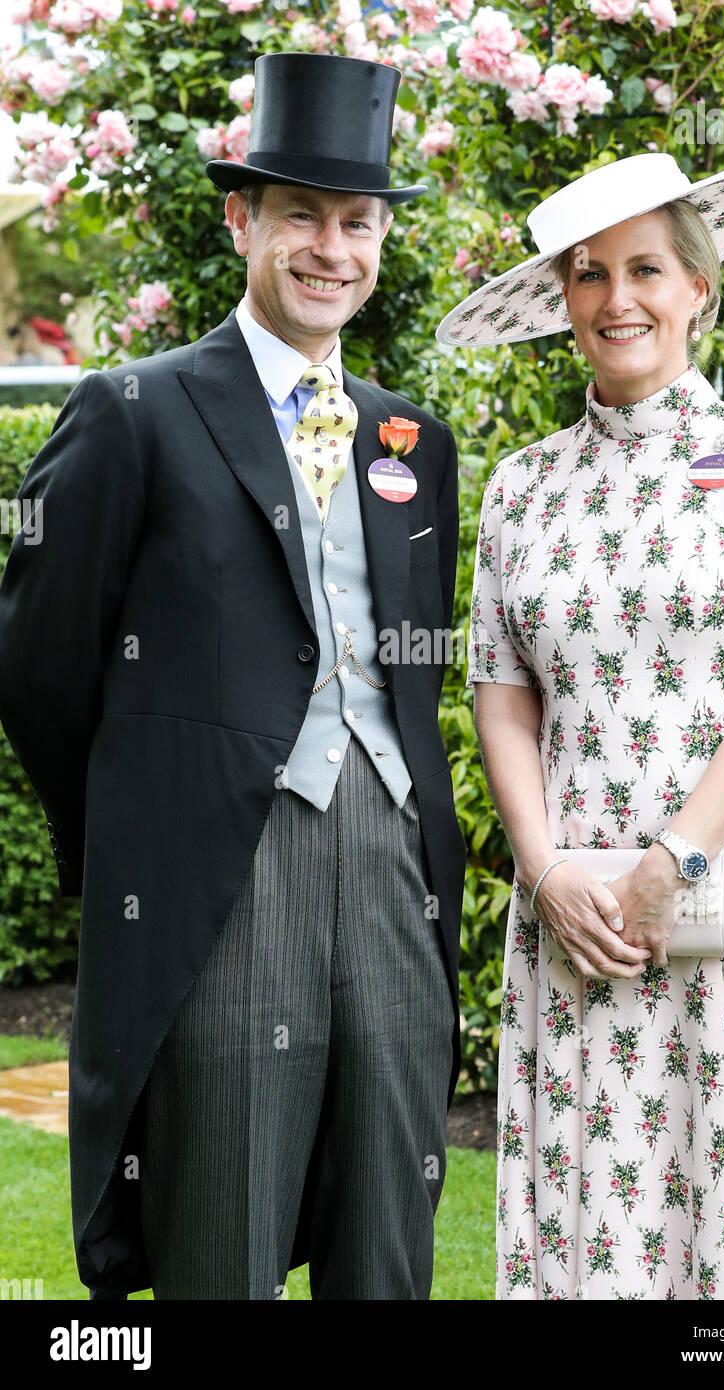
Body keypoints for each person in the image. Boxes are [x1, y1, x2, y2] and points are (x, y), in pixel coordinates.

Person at [0, 52, 466, 1301]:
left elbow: (408, 670)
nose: (331, 247)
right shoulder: (134, 410)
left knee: (387, 1229)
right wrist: (146, 830)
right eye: (301, 215)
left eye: (356, 222)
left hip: (388, 866)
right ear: (240, 220)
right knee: (223, 1230)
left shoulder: (413, 438)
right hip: (218, 868)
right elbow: (39, 666)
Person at [438, 149, 724, 1299]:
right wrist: (540, 870)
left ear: (695, 288)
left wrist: (672, 860)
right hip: (579, 906)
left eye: (642, 268)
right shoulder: (522, 485)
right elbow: (500, 689)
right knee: (593, 1194)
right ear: (561, 302)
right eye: (586, 275)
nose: (615, 298)